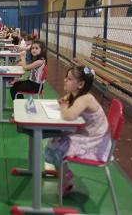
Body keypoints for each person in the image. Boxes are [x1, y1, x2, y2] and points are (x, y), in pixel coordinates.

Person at [44, 65, 112, 196]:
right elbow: (64, 101)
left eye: (69, 79)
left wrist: (64, 107)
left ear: (80, 84)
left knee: (58, 145)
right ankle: (63, 172)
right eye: (66, 77)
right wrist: (65, 102)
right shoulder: (76, 95)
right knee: (56, 139)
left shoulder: (85, 98)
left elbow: (69, 115)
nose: (65, 80)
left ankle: (65, 178)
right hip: (88, 134)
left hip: (95, 141)